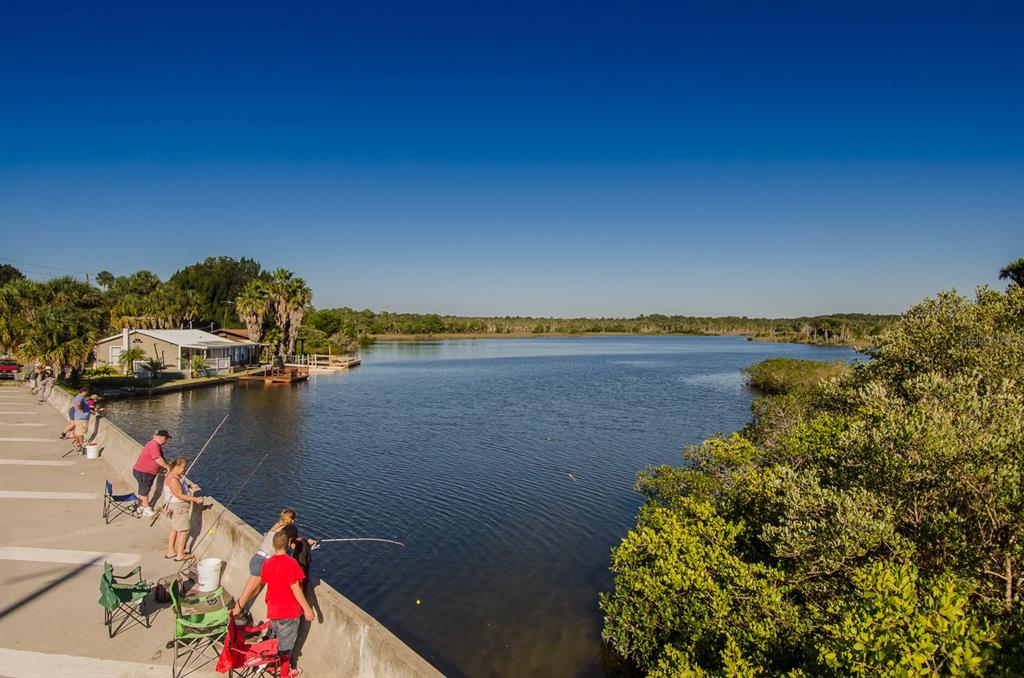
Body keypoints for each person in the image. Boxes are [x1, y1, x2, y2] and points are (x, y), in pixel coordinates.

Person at [231, 508, 316, 616]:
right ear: (293, 521)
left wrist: (304, 541)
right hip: (263, 562)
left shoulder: (276, 526)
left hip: (257, 558)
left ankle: (236, 609)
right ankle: (231, 615)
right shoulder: (285, 533)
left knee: (255, 591)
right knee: (246, 594)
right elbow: (294, 545)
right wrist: (307, 544)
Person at [261, 530, 314, 678]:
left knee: (276, 640)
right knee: (286, 647)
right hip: (289, 612)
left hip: (273, 610)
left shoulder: (267, 563)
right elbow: (296, 588)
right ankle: (285, 674)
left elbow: (266, 581)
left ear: (273, 545)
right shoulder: (291, 563)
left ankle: (272, 666)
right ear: (289, 545)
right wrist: (307, 608)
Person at [161, 457, 205, 560]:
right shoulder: (173, 479)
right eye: (183, 467)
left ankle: (171, 551)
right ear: (176, 467)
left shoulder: (172, 476)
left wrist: (188, 487)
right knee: (184, 530)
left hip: (173, 507)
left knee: (174, 528)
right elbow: (179, 495)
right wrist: (195, 499)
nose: (184, 470)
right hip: (179, 507)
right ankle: (180, 554)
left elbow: (178, 488)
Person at [132, 429, 172, 517]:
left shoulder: (155, 445)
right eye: (166, 439)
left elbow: (161, 457)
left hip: (145, 472)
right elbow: (157, 459)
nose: (166, 441)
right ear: (161, 438)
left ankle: (141, 506)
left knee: (145, 489)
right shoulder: (154, 445)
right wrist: (168, 467)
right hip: (144, 472)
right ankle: (146, 509)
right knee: (144, 490)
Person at [68, 387, 92, 452]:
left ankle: (77, 444)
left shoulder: (78, 397)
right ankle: (81, 444)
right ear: (83, 392)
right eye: (86, 393)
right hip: (81, 418)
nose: (86, 394)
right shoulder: (80, 397)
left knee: (78, 431)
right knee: (80, 432)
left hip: (79, 418)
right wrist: (80, 409)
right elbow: (78, 403)